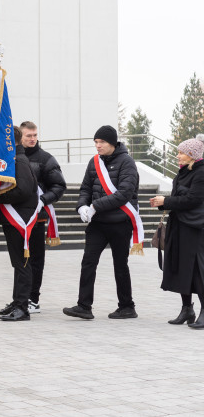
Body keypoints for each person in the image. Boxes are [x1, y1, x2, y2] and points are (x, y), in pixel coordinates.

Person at [63, 126, 142, 320]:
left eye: (102, 142)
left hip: (120, 222)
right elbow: (86, 188)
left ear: (112, 143)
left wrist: (95, 205)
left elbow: (124, 194)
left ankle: (127, 306)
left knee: (120, 265)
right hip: (98, 224)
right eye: (96, 142)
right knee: (88, 262)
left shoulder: (127, 163)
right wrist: (81, 206)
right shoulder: (94, 162)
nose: (98, 146)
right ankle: (84, 306)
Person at [150, 138, 204, 328]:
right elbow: (178, 198)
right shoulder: (182, 172)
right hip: (179, 225)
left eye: (181, 152)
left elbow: (193, 200)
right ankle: (187, 309)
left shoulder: (201, 172)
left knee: (197, 269)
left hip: (194, 228)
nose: (177, 155)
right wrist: (162, 203)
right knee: (182, 266)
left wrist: (166, 201)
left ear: (191, 155)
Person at [17, 121, 67, 312]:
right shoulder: (12, 156)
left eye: (35, 135)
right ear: (20, 136)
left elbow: (59, 186)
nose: (32, 139)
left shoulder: (46, 159)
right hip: (16, 217)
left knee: (36, 259)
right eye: (28, 135)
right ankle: (19, 299)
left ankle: (33, 300)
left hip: (37, 218)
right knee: (19, 260)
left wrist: (43, 200)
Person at [0, 147, 39, 321]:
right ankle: (17, 302)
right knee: (18, 263)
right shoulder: (16, 159)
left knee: (22, 264)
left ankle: (22, 308)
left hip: (19, 217)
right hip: (13, 218)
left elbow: (24, 190)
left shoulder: (19, 160)